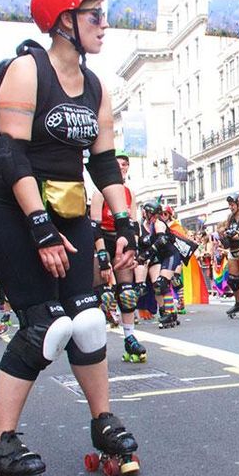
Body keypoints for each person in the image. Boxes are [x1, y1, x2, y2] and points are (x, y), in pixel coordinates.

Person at [0, 0, 140, 476]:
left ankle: (103, 422)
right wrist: (39, 227)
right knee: (46, 324)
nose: (104, 25)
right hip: (10, 207)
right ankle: (0, 442)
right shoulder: (28, 70)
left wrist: (124, 224)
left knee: (88, 321)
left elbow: (104, 163)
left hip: (66, 207)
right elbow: (9, 153)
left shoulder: (96, 87)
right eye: (94, 15)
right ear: (65, 20)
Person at [90, 150, 146, 360]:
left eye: (125, 164)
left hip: (122, 240)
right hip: (101, 241)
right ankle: (94, 342)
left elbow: (133, 224)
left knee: (127, 293)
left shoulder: (129, 193)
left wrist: (135, 249)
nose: (121, 167)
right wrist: (103, 257)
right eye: (118, 164)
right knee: (103, 296)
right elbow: (94, 226)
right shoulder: (99, 192)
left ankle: (130, 338)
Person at [136, 197, 186, 328]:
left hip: (171, 255)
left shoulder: (158, 223)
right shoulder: (151, 224)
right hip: (164, 256)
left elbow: (162, 240)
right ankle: (169, 312)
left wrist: (148, 253)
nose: (147, 215)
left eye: (148, 213)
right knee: (159, 285)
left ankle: (169, 312)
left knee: (162, 283)